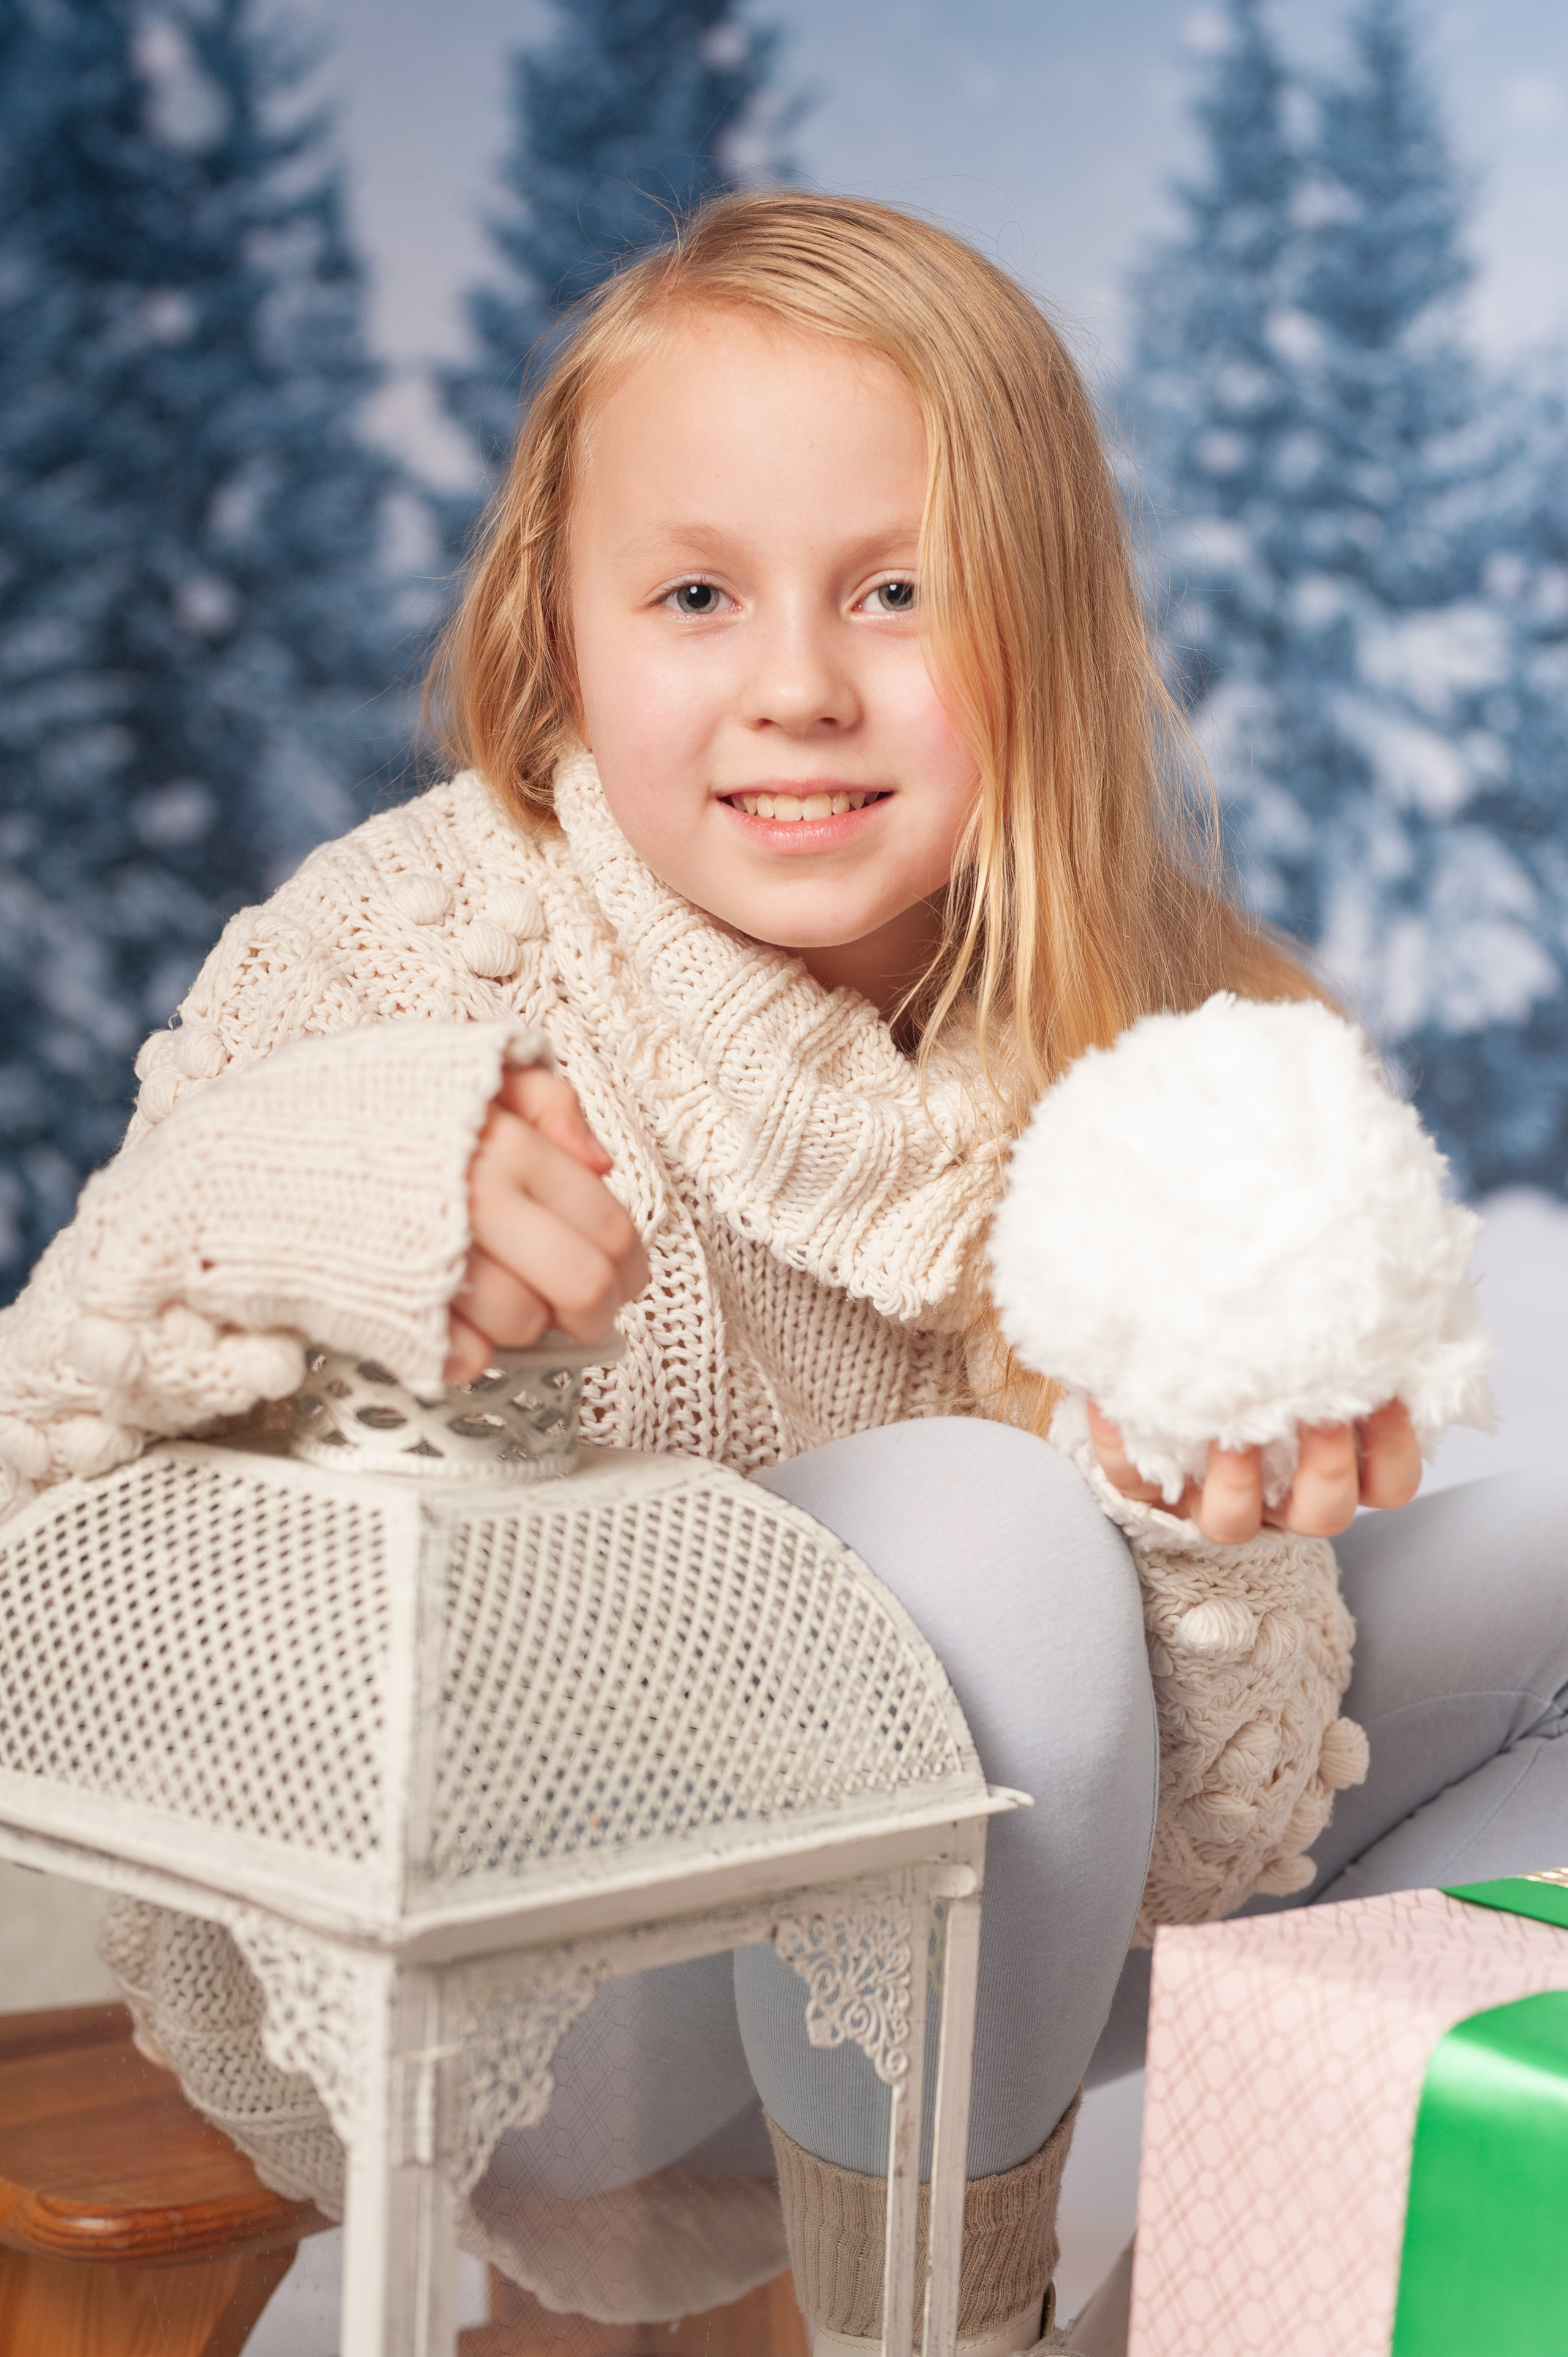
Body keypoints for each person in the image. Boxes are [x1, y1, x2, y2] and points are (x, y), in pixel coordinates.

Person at [2, 194, 1564, 2357]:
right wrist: (333, 1198)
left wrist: (1200, 1540)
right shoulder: (418, 946)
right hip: (529, 1978)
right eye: (700, 594)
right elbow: (44, 1448)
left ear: (1044, 623)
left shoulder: (1161, 1032)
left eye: (901, 592)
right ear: (566, 630)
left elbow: (1191, 1854)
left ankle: (1243, 2292)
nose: (804, 687)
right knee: (977, 1525)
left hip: (1001, 1937)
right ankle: (951, 2334)